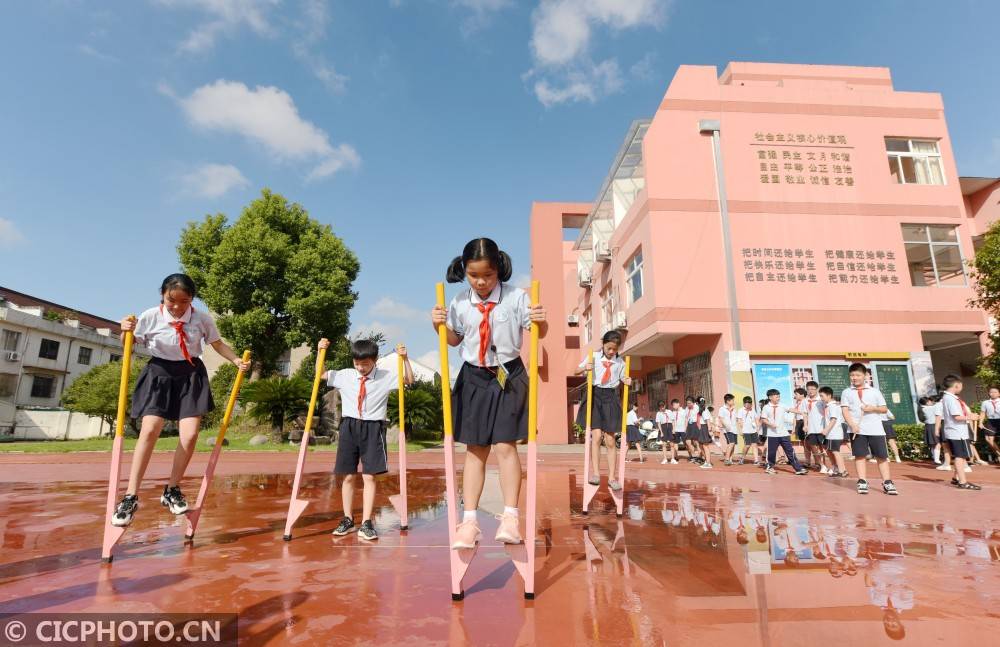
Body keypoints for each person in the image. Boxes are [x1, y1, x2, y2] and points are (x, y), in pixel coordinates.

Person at [431, 238, 547, 549]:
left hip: (508, 373)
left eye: (489, 275)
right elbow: (454, 340)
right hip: (474, 377)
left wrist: (541, 321)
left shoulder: (516, 298)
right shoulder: (458, 302)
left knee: (506, 447)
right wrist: (438, 326)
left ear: (500, 270)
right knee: (475, 449)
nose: (481, 282)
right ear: (464, 271)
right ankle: (469, 521)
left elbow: (538, 332)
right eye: (473, 275)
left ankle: (510, 516)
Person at [111, 274, 250, 527]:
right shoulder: (151, 315)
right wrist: (125, 332)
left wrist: (236, 360)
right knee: (150, 429)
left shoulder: (202, 319)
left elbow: (217, 344)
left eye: (183, 302)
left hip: (190, 374)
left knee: (190, 435)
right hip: (159, 374)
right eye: (170, 300)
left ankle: (172, 490)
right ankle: (130, 496)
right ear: (163, 296)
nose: (176, 307)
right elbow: (128, 345)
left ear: (191, 300)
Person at [320, 338, 414, 541]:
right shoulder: (346, 375)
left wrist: (405, 359)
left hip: (373, 427)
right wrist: (321, 352)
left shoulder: (386, 376)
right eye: (357, 363)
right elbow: (320, 374)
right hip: (349, 426)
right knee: (347, 475)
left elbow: (409, 380)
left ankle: (367, 522)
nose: (361, 368)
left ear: (375, 360)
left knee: (370, 476)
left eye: (365, 364)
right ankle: (347, 519)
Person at [574, 330, 630, 488]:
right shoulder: (594, 356)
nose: (611, 352)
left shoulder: (621, 363)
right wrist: (586, 367)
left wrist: (626, 380)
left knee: (610, 440)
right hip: (595, 395)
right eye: (609, 348)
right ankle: (596, 474)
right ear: (603, 345)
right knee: (597, 436)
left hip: (611, 397)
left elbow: (622, 378)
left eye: (614, 349)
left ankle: (612, 478)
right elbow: (575, 371)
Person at [840, 363, 898, 496]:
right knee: (860, 456)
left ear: (865, 375)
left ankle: (887, 482)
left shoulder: (874, 391)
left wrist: (873, 408)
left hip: (876, 429)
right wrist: (852, 424)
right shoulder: (846, 392)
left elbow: (884, 408)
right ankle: (862, 481)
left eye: (858, 375)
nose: (854, 378)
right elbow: (845, 410)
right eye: (852, 375)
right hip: (857, 430)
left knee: (881, 456)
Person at [939, 374, 981, 490]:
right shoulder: (950, 399)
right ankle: (963, 482)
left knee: (961, 456)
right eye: (961, 385)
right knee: (960, 456)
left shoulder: (950, 398)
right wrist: (970, 417)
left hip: (957, 431)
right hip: (956, 432)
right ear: (956, 385)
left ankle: (956, 478)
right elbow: (956, 416)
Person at [760, 389, 808, 475]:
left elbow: (791, 409)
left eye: (779, 396)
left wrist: (802, 412)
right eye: (776, 396)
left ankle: (798, 468)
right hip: (772, 434)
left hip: (784, 433)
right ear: (770, 397)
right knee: (771, 452)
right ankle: (769, 467)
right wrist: (770, 424)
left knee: (790, 451)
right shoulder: (766, 407)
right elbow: (763, 419)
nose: (778, 398)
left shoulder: (782, 405)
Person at [819, 387, 849, 477]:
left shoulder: (832, 406)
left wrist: (826, 430)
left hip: (834, 433)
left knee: (836, 452)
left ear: (829, 395)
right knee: (832, 451)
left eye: (822, 396)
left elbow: (833, 419)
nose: (821, 398)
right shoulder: (830, 405)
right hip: (831, 434)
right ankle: (838, 469)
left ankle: (842, 470)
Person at [803, 381, 825, 471]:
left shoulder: (821, 400)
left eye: (813, 389)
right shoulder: (805, 401)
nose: (810, 391)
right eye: (808, 389)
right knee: (813, 446)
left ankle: (824, 464)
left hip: (821, 428)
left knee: (822, 447)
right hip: (811, 428)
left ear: (817, 389)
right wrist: (805, 425)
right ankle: (819, 464)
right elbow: (805, 413)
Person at [978, 386, 1000, 463]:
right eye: (991, 392)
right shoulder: (985, 402)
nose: (993, 394)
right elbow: (982, 413)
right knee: (988, 439)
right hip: (991, 421)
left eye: (995, 392)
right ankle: (999, 454)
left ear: (999, 394)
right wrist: (980, 422)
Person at [736, 396, 759, 465]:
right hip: (746, 431)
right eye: (747, 404)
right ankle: (742, 458)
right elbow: (739, 420)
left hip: (753, 430)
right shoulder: (741, 410)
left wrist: (757, 428)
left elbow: (756, 418)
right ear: (744, 404)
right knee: (747, 445)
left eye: (750, 404)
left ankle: (756, 460)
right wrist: (740, 430)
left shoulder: (753, 410)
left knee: (755, 445)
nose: (749, 405)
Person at [919, 396, 940, 464]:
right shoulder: (931, 408)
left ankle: (934, 457)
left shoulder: (921, 408)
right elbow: (938, 405)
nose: (931, 402)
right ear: (927, 402)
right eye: (929, 401)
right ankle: (936, 460)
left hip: (927, 426)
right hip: (933, 426)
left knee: (932, 444)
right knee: (937, 443)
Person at [718, 394, 738, 466]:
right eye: (732, 400)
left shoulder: (734, 409)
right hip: (727, 429)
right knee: (731, 443)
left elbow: (736, 418)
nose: (733, 401)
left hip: (734, 429)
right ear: (728, 401)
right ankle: (726, 459)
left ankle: (730, 459)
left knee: (733, 444)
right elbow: (721, 418)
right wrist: (726, 426)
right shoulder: (722, 409)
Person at [655, 400, 672, 465]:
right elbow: (659, 423)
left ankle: (672, 458)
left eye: (663, 406)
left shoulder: (669, 411)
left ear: (665, 405)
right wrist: (661, 432)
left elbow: (673, 420)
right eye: (660, 407)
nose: (662, 408)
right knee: (664, 444)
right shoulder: (658, 413)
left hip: (670, 427)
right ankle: (665, 459)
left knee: (672, 444)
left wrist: (673, 429)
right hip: (663, 427)